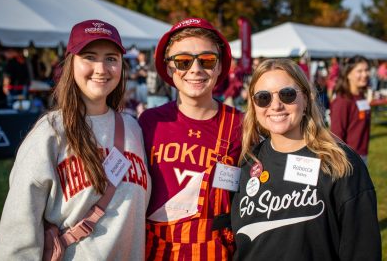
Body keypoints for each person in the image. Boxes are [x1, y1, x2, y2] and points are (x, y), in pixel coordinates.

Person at [0, 19, 151, 260]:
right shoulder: (50, 133)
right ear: (70, 64)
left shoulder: (134, 129)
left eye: (111, 58)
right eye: (89, 57)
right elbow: (18, 232)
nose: (101, 68)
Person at [231, 58, 381, 261]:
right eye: (263, 97)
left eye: (287, 94)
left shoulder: (340, 163)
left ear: (307, 98)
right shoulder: (247, 162)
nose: (276, 105)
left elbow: (362, 249)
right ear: (254, 105)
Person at [138, 18, 243, 260]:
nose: (195, 69)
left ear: (219, 67)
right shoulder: (149, 122)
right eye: (183, 61)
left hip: (215, 252)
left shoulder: (241, 124)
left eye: (207, 60)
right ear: (169, 68)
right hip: (155, 252)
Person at [330, 55, 371, 164]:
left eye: (367, 70)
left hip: (362, 154)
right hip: (349, 158)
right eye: (360, 71)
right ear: (348, 74)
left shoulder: (361, 96)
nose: (365, 74)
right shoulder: (342, 101)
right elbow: (336, 136)